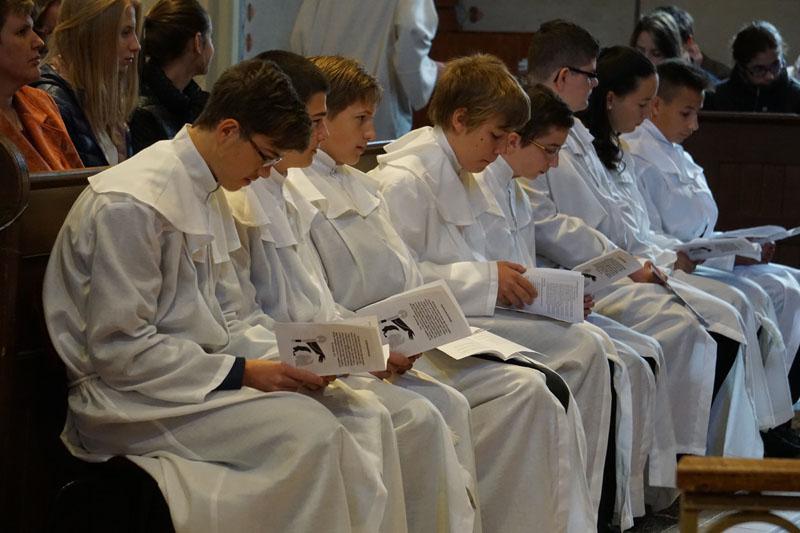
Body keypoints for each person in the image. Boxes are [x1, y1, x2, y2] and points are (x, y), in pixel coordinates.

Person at [43, 58, 407, 533]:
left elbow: (227, 315)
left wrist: (299, 359)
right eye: (266, 156)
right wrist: (243, 372)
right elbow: (120, 350)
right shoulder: (131, 204)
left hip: (191, 374)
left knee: (359, 414)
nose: (266, 171)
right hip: (126, 399)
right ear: (229, 130)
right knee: (310, 433)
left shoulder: (211, 186)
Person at [286, 53, 597, 532]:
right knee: (511, 393)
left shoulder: (355, 183)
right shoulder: (375, 181)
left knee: (536, 381)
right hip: (371, 342)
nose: (371, 133)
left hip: (414, 332)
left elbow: (406, 271)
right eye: (360, 119)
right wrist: (374, 340)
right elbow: (316, 296)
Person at [370, 52, 642, 530]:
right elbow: (398, 282)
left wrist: (523, 288)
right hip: (429, 334)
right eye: (496, 136)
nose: (501, 150)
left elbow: (481, 258)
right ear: (460, 120)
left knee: (583, 348)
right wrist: (488, 279)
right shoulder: (405, 180)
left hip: (467, 314)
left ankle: (577, 511)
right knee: (552, 372)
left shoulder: (460, 170)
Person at [226, 50, 478, 533]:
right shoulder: (251, 195)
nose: (320, 136)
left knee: (446, 406)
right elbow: (250, 318)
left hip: (335, 349)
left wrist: (367, 344)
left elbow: (316, 298)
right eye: (316, 122)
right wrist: (359, 349)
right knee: (411, 419)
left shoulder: (285, 191)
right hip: (294, 361)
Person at [523, 22, 764, 463]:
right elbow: (546, 223)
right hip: (574, 278)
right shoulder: (532, 130)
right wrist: (628, 261)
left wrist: (646, 259)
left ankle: (689, 458)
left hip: (611, 268)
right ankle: (672, 461)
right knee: (694, 330)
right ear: (564, 76)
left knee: (721, 321)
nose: (595, 86)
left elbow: (619, 221)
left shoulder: (582, 135)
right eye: (590, 76)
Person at [475, 83, 679, 521]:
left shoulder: (514, 189)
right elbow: (493, 275)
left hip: (526, 307)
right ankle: (587, 508)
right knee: (599, 354)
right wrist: (552, 299)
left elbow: (523, 268)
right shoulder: (481, 187)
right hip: (489, 316)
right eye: (548, 151)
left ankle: (624, 501)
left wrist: (560, 298)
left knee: (642, 354)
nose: (552, 164)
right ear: (514, 140)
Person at [577, 44, 786, 456]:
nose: (644, 115)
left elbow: (638, 231)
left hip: (644, 263)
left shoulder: (611, 149)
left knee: (747, 305)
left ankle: (736, 439)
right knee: (721, 319)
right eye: (643, 104)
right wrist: (664, 260)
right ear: (612, 100)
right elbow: (588, 235)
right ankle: (688, 451)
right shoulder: (608, 151)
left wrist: (676, 256)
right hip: (608, 277)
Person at [290, 0, 439, 140]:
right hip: (378, 107)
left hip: (323, 97)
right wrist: (431, 73)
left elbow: (302, 33)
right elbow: (410, 30)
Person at [33, 0, 141, 166]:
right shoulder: (52, 102)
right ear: (92, 35)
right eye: (125, 33)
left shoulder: (100, 94)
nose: (136, 45)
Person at [0, 0, 81, 171]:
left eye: (32, 29)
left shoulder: (42, 102)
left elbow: (78, 179)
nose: (39, 42)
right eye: (22, 32)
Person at [129, 0, 212, 153]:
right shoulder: (144, 113)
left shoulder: (193, 103)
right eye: (210, 37)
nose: (212, 48)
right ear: (198, 43)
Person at [705, 21, 800, 113]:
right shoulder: (716, 98)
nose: (770, 76)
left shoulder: (796, 97)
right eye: (759, 69)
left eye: (775, 65)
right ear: (742, 67)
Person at [652, 5, 730, 82]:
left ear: (688, 42)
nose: (649, 60)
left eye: (657, 53)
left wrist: (695, 72)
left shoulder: (721, 75)